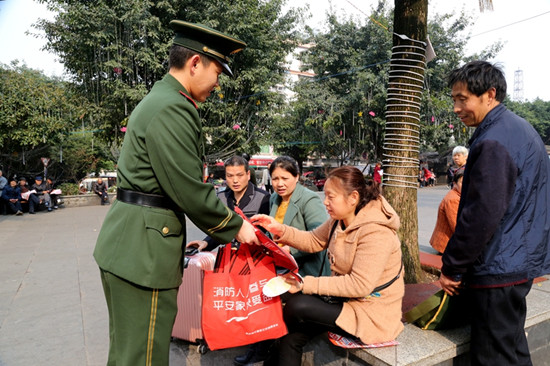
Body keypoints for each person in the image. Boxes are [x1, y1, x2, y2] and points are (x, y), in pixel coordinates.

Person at [93, 20, 258, 366]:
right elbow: (188, 188)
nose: (217, 83)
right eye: (217, 71)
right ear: (195, 63)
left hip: (131, 245)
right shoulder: (173, 107)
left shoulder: (162, 99)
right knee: (145, 357)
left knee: (128, 354)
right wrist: (237, 226)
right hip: (145, 254)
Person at [440, 61, 550, 366]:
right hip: (516, 260)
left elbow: (481, 214)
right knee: (511, 349)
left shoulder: (493, 140)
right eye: (454, 100)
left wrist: (452, 266)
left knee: (494, 357)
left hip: (499, 265)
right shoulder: (518, 128)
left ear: (490, 94)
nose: (457, 108)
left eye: (463, 99)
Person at [251, 166, 404, 366]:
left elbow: (360, 285)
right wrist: (279, 229)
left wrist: (304, 284)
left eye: (331, 197)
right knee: (290, 333)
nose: (325, 202)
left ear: (353, 198)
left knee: (297, 306)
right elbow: (314, 240)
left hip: (370, 311)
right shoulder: (338, 221)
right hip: (343, 300)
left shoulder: (376, 232)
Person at [233, 155, 330, 366]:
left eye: (285, 178)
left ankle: (262, 349)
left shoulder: (309, 199)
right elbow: (274, 234)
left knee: (264, 297)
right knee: (251, 289)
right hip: (280, 264)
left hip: (307, 269)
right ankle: (259, 347)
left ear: (297, 177)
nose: (280, 184)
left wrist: (290, 248)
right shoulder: (276, 199)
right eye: (275, 178)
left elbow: (320, 237)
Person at [187, 155, 270, 251]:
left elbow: (266, 235)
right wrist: (206, 242)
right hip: (228, 258)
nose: (235, 181)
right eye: (230, 176)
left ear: (248, 175)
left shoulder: (263, 198)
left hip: (255, 258)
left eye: (240, 175)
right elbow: (221, 229)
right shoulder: (221, 197)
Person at [429, 169, 464, 254]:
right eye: (462, 182)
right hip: (446, 245)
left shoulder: (459, 195)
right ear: (454, 184)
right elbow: (457, 226)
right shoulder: (453, 199)